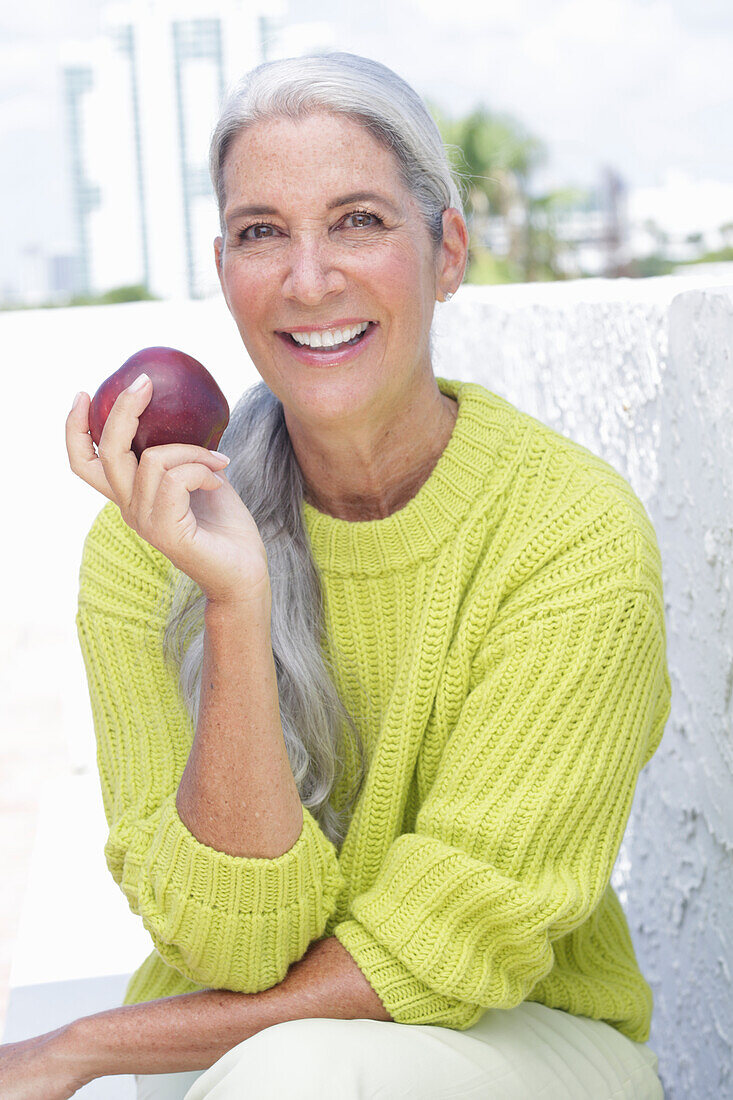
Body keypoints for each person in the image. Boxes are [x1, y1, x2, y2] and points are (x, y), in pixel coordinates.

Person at [0, 52, 669, 1099]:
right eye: (263, 232)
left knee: (294, 1074)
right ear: (223, 268)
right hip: (237, 1042)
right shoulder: (148, 540)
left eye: (358, 220)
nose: (309, 279)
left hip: (521, 1034)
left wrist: (84, 1042)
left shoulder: (568, 537)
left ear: (446, 252)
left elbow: (442, 951)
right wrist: (235, 598)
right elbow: (232, 946)